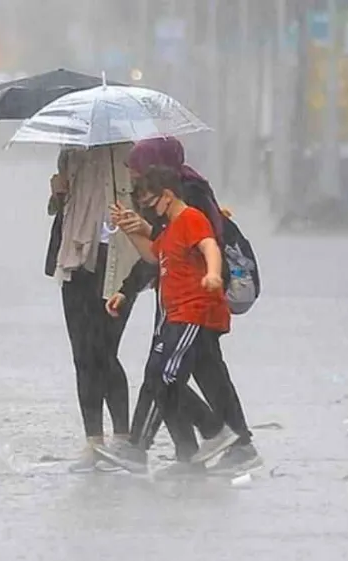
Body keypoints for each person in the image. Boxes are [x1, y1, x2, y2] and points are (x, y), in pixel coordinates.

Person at [95, 137, 260, 475]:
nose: (137, 181)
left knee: (163, 374)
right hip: (179, 296)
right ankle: (212, 449)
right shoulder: (162, 202)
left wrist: (211, 275)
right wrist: (127, 285)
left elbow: (200, 244)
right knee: (202, 373)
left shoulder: (189, 199)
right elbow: (158, 251)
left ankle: (155, 445)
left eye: (141, 172)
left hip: (194, 300)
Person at [45, 144, 140, 473]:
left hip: (118, 262)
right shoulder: (70, 151)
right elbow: (61, 209)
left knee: (104, 350)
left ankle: (123, 438)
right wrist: (58, 193)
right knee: (82, 353)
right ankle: (94, 441)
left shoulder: (130, 154)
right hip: (75, 260)